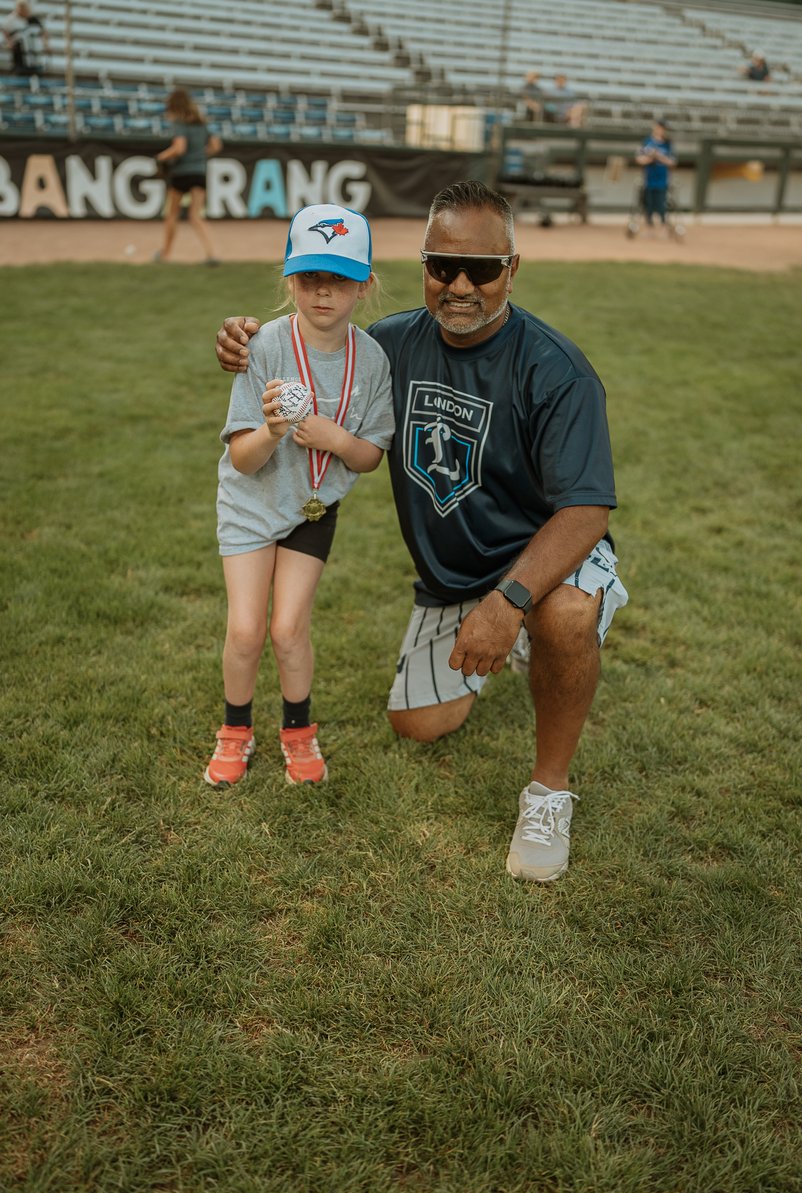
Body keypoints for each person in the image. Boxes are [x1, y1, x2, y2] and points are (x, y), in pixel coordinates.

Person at [214, 180, 628, 883]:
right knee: (418, 726)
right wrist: (244, 342)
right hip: (451, 579)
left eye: (484, 269)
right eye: (443, 266)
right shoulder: (389, 346)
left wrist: (507, 603)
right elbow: (313, 348)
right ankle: (508, 637)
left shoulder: (555, 370)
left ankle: (549, 791)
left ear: (512, 270)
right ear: (423, 266)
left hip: (538, 564)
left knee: (561, 613)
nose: (461, 285)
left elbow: (586, 511)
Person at [205, 203, 395, 790]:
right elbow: (241, 456)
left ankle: (298, 731)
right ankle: (235, 730)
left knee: (288, 628)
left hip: (312, 509)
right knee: (244, 631)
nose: (323, 292)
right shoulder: (263, 348)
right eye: (311, 277)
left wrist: (339, 439)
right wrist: (272, 430)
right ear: (290, 279)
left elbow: (371, 455)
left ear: (363, 285)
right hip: (251, 504)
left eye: (339, 278)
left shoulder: (374, 361)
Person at [153, 88, 222, 265]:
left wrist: (161, 157)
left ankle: (166, 254)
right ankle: (212, 254)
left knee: (172, 215)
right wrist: (200, 155)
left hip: (181, 173)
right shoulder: (201, 123)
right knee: (196, 216)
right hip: (199, 172)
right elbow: (216, 145)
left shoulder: (179, 123)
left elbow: (179, 148)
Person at [635, 119, 677, 233]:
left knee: (661, 204)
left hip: (662, 179)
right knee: (648, 203)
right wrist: (650, 157)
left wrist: (658, 156)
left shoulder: (667, 143)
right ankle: (649, 228)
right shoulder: (647, 142)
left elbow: (672, 162)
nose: (661, 130)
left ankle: (663, 227)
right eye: (659, 127)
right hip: (648, 178)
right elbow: (639, 159)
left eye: (663, 128)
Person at [3, 1, 48, 75]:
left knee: (36, 72)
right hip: (19, 51)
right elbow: (5, 31)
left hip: (34, 51)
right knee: (20, 71)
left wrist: (46, 43)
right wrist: (9, 42)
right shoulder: (11, 20)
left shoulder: (33, 19)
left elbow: (43, 32)